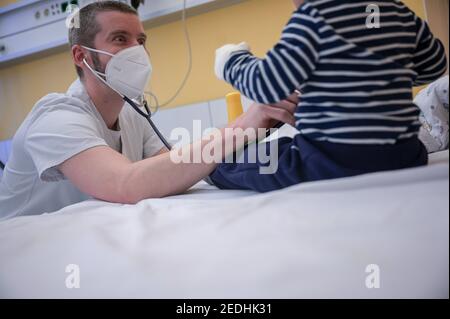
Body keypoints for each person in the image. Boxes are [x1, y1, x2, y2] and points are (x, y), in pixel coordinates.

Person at [0, 1, 296, 220]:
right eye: (120, 39)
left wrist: (259, 126)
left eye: (141, 41)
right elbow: (125, 184)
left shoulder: (130, 111)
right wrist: (244, 125)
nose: (137, 50)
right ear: (81, 55)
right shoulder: (56, 118)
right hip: (22, 241)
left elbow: (171, 164)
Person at [210, 0, 448, 192]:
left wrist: (231, 60)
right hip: (404, 154)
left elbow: (266, 84)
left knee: (263, 160)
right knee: (286, 146)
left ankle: (216, 169)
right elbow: (435, 65)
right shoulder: (399, 13)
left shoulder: (314, 18)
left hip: (331, 160)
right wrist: (386, 73)